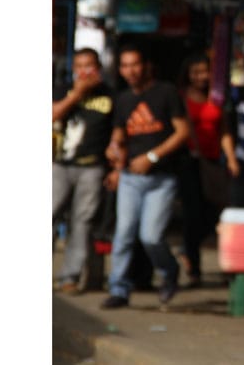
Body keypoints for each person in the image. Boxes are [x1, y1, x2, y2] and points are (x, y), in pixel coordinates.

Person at [101, 43, 190, 310]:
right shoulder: (123, 99)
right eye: (125, 66)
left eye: (135, 64)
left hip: (161, 179)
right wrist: (115, 155)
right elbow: (119, 135)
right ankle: (119, 288)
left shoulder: (166, 93)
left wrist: (151, 157)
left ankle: (169, 270)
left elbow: (183, 132)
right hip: (129, 178)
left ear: (146, 66)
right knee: (123, 234)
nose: (131, 71)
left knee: (150, 236)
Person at [53, 48, 114, 294]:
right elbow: (53, 114)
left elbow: (117, 131)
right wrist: (76, 95)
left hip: (92, 168)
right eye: (79, 66)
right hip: (59, 165)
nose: (84, 71)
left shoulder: (110, 95)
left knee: (82, 222)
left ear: (98, 67)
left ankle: (70, 276)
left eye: (89, 66)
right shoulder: (62, 89)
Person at [176, 53, 227, 287]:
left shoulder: (216, 97)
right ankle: (193, 266)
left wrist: (232, 158)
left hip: (213, 162)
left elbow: (224, 129)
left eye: (205, 71)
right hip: (189, 161)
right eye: (196, 72)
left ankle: (188, 250)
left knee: (214, 212)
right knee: (192, 213)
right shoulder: (180, 98)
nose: (201, 77)